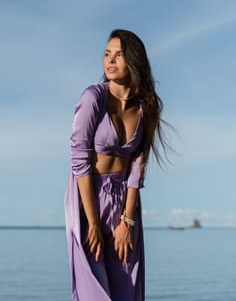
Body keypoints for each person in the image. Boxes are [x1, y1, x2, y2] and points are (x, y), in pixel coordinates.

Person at [65, 29, 169, 300]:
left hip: (124, 199)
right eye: (107, 54)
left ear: (133, 62)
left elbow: (138, 166)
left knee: (127, 288)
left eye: (119, 55)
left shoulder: (146, 107)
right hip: (88, 194)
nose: (110, 61)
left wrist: (127, 220)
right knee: (94, 290)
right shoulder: (93, 98)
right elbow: (79, 159)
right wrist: (93, 223)